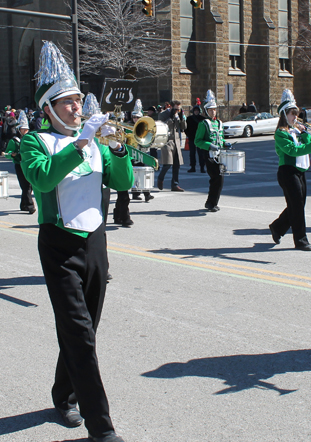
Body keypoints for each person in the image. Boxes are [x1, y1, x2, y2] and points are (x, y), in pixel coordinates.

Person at [20, 42, 132, 442]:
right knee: (80, 334)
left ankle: (62, 394)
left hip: (96, 244)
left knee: (84, 331)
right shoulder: (35, 142)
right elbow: (44, 179)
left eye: (76, 101)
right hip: (59, 245)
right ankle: (101, 427)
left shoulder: (95, 140)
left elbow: (123, 184)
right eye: (66, 103)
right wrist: (82, 143)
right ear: (48, 109)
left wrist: (117, 149)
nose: (75, 108)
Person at [268, 89, 311, 251]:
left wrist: (304, 133)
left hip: (300, 171)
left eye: (296, 113)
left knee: (298, 204)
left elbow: (303, 144)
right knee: (296, 205)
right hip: (287, 171)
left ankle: (277, 227)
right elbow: (292, 151)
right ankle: (301, 240)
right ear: (284, 114)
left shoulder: (295, 131)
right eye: (292, 113)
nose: (295, 116)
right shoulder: (281, 133)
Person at [195, 89, 231, 212]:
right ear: (206, 111)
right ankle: (211, 203)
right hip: (209, 155)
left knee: (218, 179)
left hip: (220, 155)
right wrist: (209, 145)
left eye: (214, 109)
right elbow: (197, 141)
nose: (213, 112)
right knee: (217, 178)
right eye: (210, 110)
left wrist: (225, 144)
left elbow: (220, 139)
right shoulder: (203, 124)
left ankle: (211, 202)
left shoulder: (219, 123)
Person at [5, 110, 36, 213]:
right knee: (25, 186)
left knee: (29, 186)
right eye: (23, 129)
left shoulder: (30, 139)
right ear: (19, 129)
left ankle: (24, 205)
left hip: (28, 164)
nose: (25, 131)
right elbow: (7, 153)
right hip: (19, 164)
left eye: (26, 129)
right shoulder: (14, 141)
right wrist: (12, 154)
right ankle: (30, 206)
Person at [157, 100, 186, 191]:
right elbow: (161, 126)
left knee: (177, 164)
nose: (177, 111)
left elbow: (183, 127)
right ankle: (160, 179)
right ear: (170, 107)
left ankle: (175, 184)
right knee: (168, 163)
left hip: (176, 141)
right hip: (167, 141)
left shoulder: (178, 115)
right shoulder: (163, 114)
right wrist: (170, 118)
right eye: (176, 109)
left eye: (179, 109)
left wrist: (182, 119)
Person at [185, 104, 206, 173]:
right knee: (192, 153)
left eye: (197, 110)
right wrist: (188, 135)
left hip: (200, 139)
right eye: (195, 110)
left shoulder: (202, 119)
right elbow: (186, 128)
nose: (196, 112)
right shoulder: (189, 118)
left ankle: (202, 167)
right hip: (192, 138)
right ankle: (192, 167)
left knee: (201, 154)